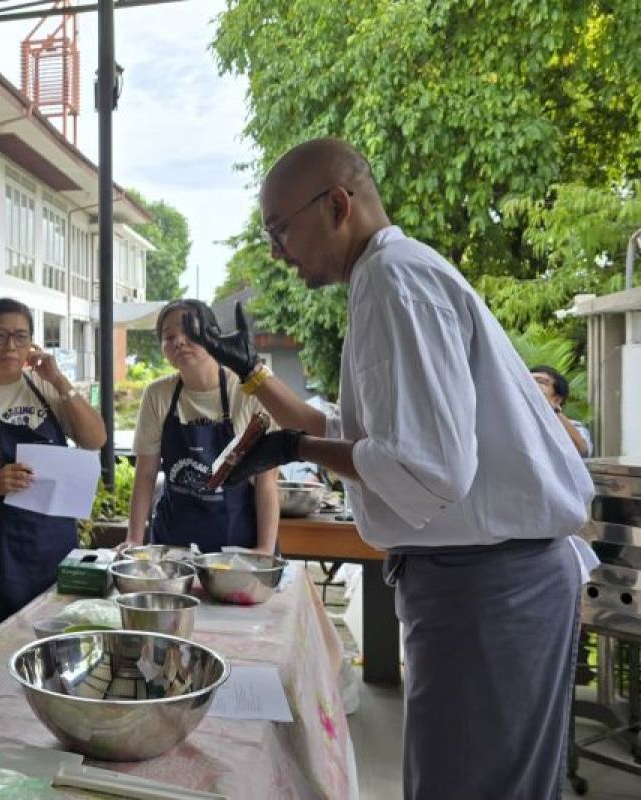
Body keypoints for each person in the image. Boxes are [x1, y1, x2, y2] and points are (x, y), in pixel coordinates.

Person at [186, 138, 594, 800]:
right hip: (487, 577)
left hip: (490, 585)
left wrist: (293, 452)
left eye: (280, 229)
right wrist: (252, 374)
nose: (276, 252)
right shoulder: (392, 274)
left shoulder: (392, 280)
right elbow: (352, 433)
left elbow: (427, 468)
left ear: (338, 205)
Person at [0, 299, 107, 638]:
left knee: (59, 636)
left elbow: (96, 438)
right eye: (0, 336)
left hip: (55, 542)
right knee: (0, 641)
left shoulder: (46, 388)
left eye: (20, 337)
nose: (10, 346)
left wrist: (59, 379)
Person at [123, 299, 279, 553]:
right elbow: (146, 474)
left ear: (213, 336)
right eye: (169, 336)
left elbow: (267, 480)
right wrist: (134, 539)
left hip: (238, 543)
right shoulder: (157, 394)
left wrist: (264, 549)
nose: (179, 342)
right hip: (173, 544)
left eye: (190, 332)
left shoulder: (249, 390)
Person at [530, 365, 592, 457]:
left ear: (557, 400)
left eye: (541, 382)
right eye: (529, 381)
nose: (532, 385)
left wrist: (552, 408)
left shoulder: (575, 427)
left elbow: (582, 450)